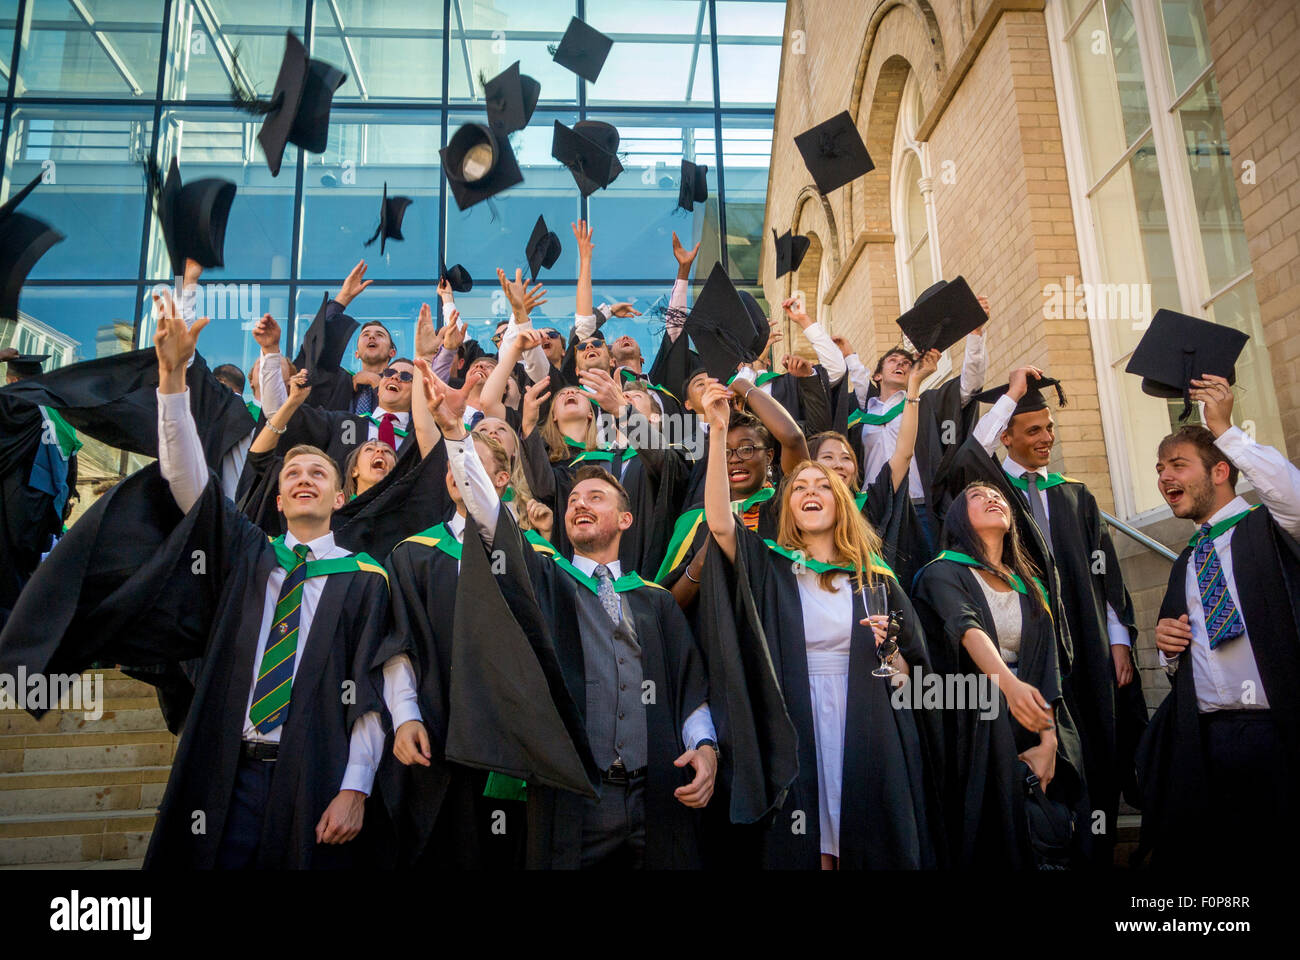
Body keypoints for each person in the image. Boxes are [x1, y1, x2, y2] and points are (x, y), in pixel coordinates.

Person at [697, 380, 938, 869]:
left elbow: (911, 675)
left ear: (840, 502)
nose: (810, 492)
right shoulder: (774, 569)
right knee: (810, 846)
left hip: (865, 719)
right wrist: (718, 430)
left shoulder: (874, 577)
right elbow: (721, 525)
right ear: (787, 506)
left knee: (864, 838)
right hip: (796, 717)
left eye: (823, 485)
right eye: (799, 487)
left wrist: (890, 656)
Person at [457, 451, 719, 868]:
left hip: (654, 793)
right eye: (574, 499)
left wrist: (705, 748)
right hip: (575, 796)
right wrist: (456, 438)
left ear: (625, 520)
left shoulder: (655, 600)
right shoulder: (547, 580)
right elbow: (492, 524)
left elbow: (687, 686)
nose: (579, 503)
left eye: (596, 497)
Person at [963, 365, 1147, 864]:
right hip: (1033, 646)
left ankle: (1098, 848)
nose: (1047, 439)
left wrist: (1118, 638)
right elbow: (968, 455)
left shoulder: (1076, 496)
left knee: (1096, 738)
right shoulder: (994, 494)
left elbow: (1106, 573)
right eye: (1034, 430)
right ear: (1007, 436)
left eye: (1050, 429)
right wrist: (1013, 393)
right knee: (1046, 741)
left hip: (1087, 641)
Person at [1139, 375, 1300, 870]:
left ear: (1221, 472)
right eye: (1159, 469)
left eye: (1178, 465)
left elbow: (1290, 492)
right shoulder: (1187, 562)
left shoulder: (1270, 529)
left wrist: (1225, 428)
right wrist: (1169, 649)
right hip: (1207, 739)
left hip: (1276, 733)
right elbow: (1186, 660)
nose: (1165, 478)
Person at [912, 482, 1089, 869]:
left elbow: (1048, 666)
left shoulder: (1030, 584)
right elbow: (966, 628)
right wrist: (1009, 687)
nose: (993, 499)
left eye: (998, 496)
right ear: (959, 518)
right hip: (972, 716)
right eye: (976, 496)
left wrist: (1048, 741)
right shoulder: (940, 573)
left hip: (1031, 715)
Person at [850, 294, 990, 554]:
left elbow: (970, 387)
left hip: (919, 506)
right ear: (878, 375)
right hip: (872, 507)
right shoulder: (858, 418)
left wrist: (976, 334)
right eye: (893, 360)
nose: (901, 364)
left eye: (906, 362)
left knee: (925, 577)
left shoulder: (926, 404)